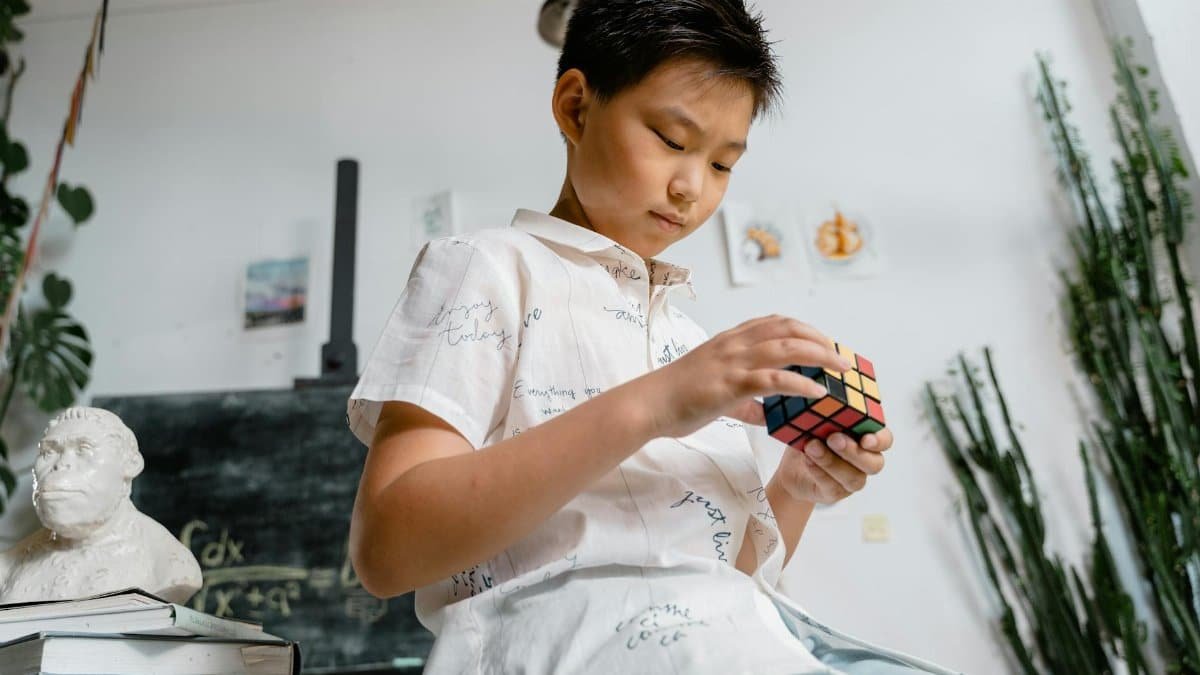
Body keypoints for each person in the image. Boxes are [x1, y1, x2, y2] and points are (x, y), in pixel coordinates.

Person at [347, 1, 960, 672]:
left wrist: (797, 485)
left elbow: (726, 583)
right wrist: (658, 402)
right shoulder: (488, 269)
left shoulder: (689, 343)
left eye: (724, 164)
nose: (692, 187)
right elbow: (387, 549)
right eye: (672, 139)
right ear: (576, 108)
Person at [0, 407, 202, 604]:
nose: (61, 464)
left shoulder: (169, 565)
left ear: (130, 464)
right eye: (49, 451)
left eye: (83, 450)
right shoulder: (7, 565)